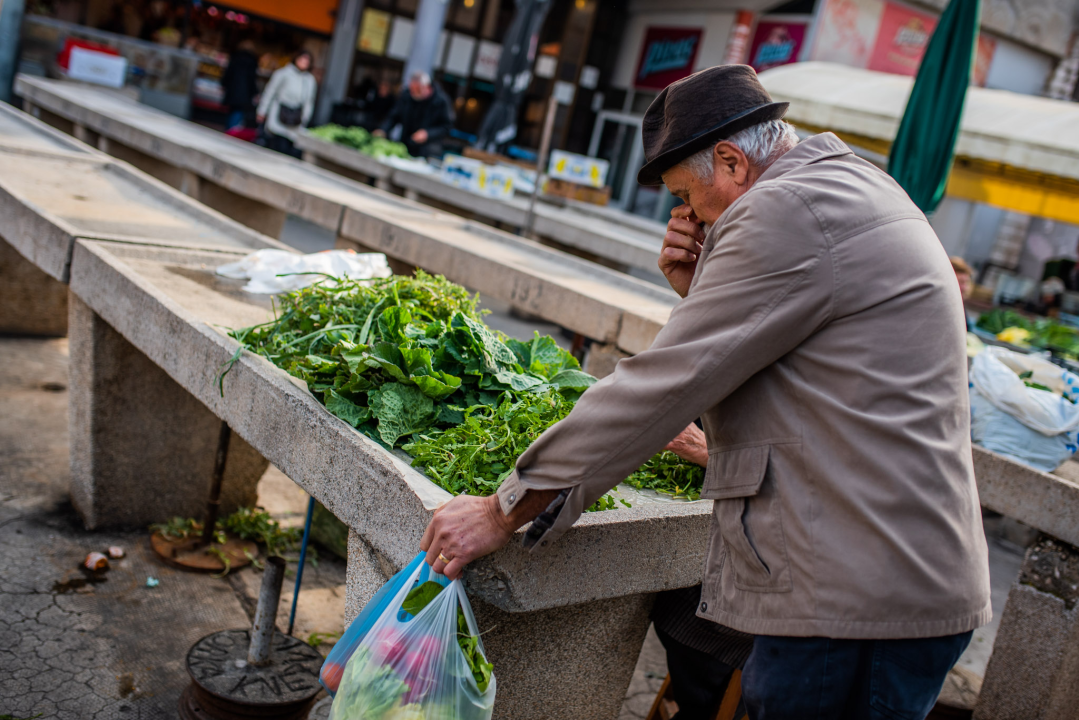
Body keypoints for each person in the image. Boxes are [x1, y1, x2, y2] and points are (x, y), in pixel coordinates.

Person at [419, 65, 991, 719]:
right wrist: (700, 287)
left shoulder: (784, 210)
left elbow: (658, 388)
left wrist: (501, 511)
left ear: (731, 162)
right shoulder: (845, 181)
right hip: (892, 573)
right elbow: (796, 358)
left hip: (859, 596)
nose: (686, 216)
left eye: (687, 194)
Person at [374, 71, 454, 159]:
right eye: (412, 89)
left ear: (427, 87)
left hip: (428, 150)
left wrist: (427, 134)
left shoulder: (441, 101)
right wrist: (383, 130)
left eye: (418, 90)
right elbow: (394, 116)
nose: (414, 93)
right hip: (405, 144)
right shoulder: (407, 95)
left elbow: (446, 127)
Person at [256, 51, 318, 157]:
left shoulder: (309, 80)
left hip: (295, 119)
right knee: (275, 146)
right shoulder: (283, 73)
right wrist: (262, 111)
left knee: (288, 150)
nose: (304, 63)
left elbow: (309, 101)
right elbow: (270, 92)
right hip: (278, 115)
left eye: (307, 61)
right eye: (302, 60)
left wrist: (305, 118)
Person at [222, 39, 260, 130]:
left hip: (232, 90)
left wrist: (224, 84)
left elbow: (228, 73)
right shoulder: (252, 61)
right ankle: (231, 131)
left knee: (231, 111)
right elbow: (252, 79)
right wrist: (255, 92)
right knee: (238, 112)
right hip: (244, 93)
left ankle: (228, 129)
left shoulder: (235, 57)